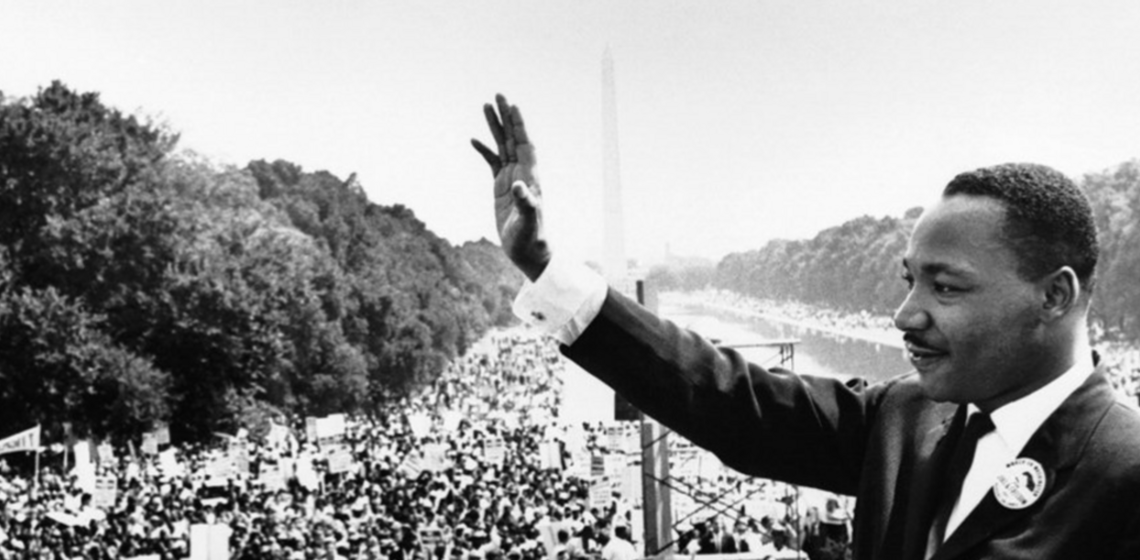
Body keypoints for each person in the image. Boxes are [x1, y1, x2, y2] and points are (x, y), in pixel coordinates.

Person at [472, 93, 1140, 559]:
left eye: (946, 286)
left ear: (1053, 296)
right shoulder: (905, 416)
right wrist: (545, 267)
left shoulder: (1126, 473)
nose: (906, 315)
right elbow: (724, 397)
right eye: (909, 280)